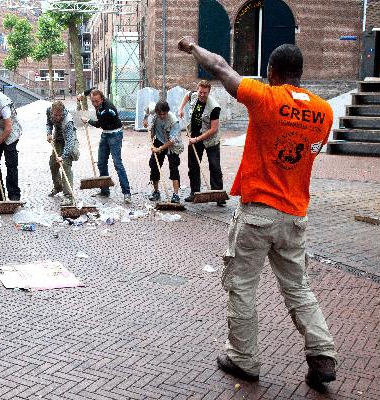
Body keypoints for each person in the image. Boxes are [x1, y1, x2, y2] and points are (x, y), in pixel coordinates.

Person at [178, 38, 337, 391]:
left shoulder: (265, 97)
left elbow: (219, 65)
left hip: (258, 214)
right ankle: (322, 352)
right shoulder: (324, 111)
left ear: (271, 72)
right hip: (295, 214)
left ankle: (243, 358)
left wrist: (191, 47)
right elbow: (311, 150)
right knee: (298, 287)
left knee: (242, 286)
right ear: (300, 73)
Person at [79, 88, 132, 204]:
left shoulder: (107, 110)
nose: (94, 104)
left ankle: (127, 193)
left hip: (115, 135)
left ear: (102, 99)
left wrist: (87, 120)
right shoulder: (97, 97)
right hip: (105, 134)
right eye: (92, 101)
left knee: (117, 163)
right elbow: (91, 90)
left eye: (96, 101)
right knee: (102, 163)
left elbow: (99, 124)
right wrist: (82, 94)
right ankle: (104, 190)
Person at [177, 80, 225, 205]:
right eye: (200, 92)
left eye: (205, 93)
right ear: (197, 90)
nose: (202, 95)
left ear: (209, 92)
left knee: (214, 166)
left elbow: (214, 129)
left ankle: (218, 196)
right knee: (193, 166)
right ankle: (195, 193)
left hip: (210, 140)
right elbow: (187, 95)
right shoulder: (194, 95)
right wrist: (180, 108)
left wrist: (197, 139)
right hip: (195, 135)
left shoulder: (214, 107)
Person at [143, 100, 183, 204]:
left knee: (174, 168)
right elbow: (147, 109)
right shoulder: (154, 111)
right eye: (159, 114)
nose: (161, 116)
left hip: (172, 146)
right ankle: (156, 192)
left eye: (163, 114)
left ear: (167, 111)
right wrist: (145, 119)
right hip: (159, 140)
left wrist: (160, 148)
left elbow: (172, 140)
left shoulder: (174, 121)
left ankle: (176, 194)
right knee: (154, 165)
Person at [46, 101, 80, 206]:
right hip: (58, 139)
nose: (57, 117)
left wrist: (63, 156)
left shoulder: (68, 121)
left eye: (59, 115)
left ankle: (68, 196)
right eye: (55, 115)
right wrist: (48, 132)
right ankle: (58, 186)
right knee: (53, 164)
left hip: (68, 141)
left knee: (65, 165)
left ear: (63, 112)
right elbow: (49, 123)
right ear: (52, 112)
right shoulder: (48, 111)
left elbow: (70, 142)